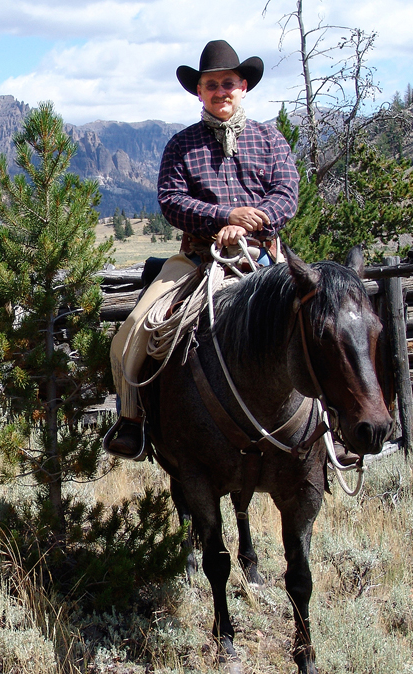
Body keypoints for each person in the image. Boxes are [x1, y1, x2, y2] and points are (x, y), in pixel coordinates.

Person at [105, 40, 299, 458]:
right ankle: (132, 419)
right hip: (198, 257)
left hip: (265, 257)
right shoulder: (181, 144)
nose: (220, 91)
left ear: (243, 86)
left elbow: (286, 196)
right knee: (132, 334)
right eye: (211, 85)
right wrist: (224, 219)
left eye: (228, 83)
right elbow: (171, 200)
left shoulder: (271, 140)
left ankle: (333, 425)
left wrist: (251, 224)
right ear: (199, 92)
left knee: (318, 326)